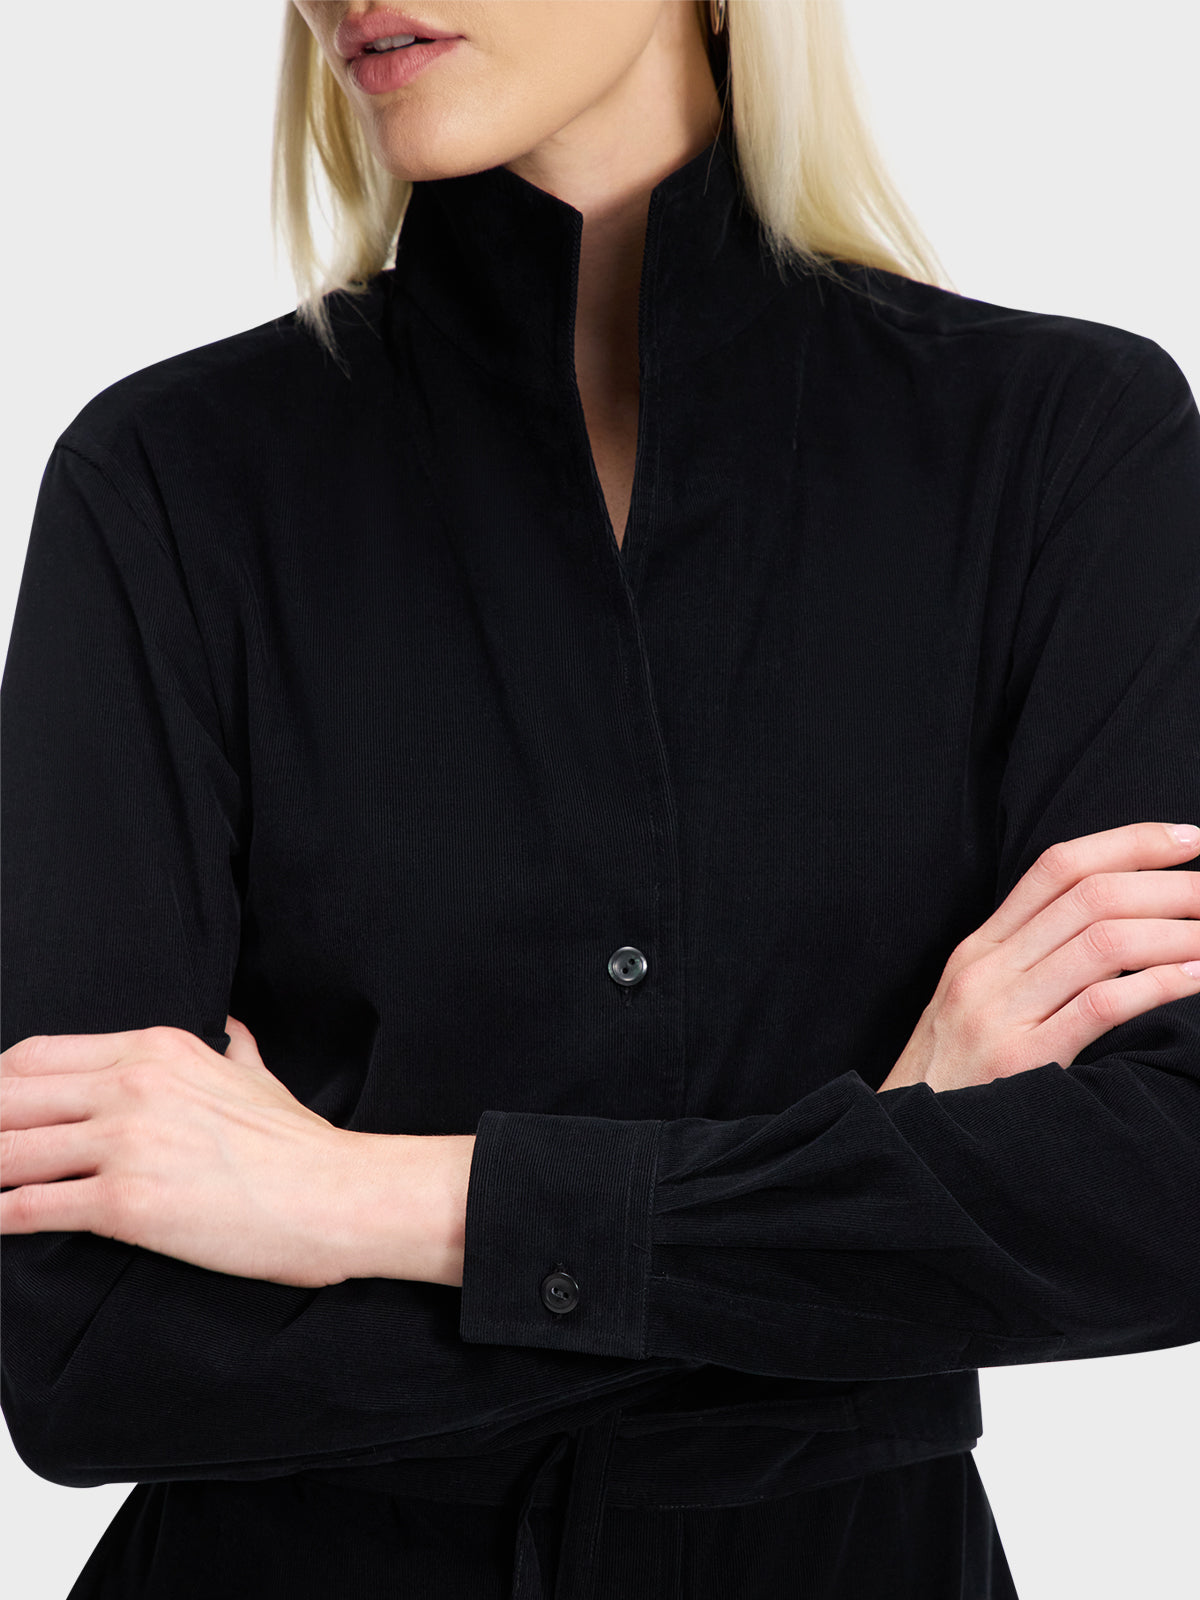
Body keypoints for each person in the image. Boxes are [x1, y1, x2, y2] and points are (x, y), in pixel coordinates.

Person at [2, 1, 1199, 1596]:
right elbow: (88, 1358)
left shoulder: (1064, 447)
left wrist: (366, 1199)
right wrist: (868, 1185)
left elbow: (1159, 1199)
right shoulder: (166, 481)